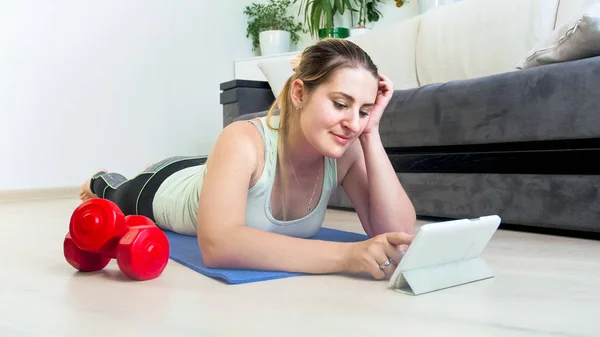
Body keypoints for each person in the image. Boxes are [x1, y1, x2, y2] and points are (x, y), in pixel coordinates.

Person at [79, 38, 416, 280]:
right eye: (341, 104)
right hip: (167, 187)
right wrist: (347, 255)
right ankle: (101, 178)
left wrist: (372, 134)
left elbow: (398, 235)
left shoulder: (349, 148)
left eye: (364, 110)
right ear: (299, 93)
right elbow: (218, 244)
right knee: (115, 194)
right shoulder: (241, 138)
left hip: (215, 169)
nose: (353, 122)